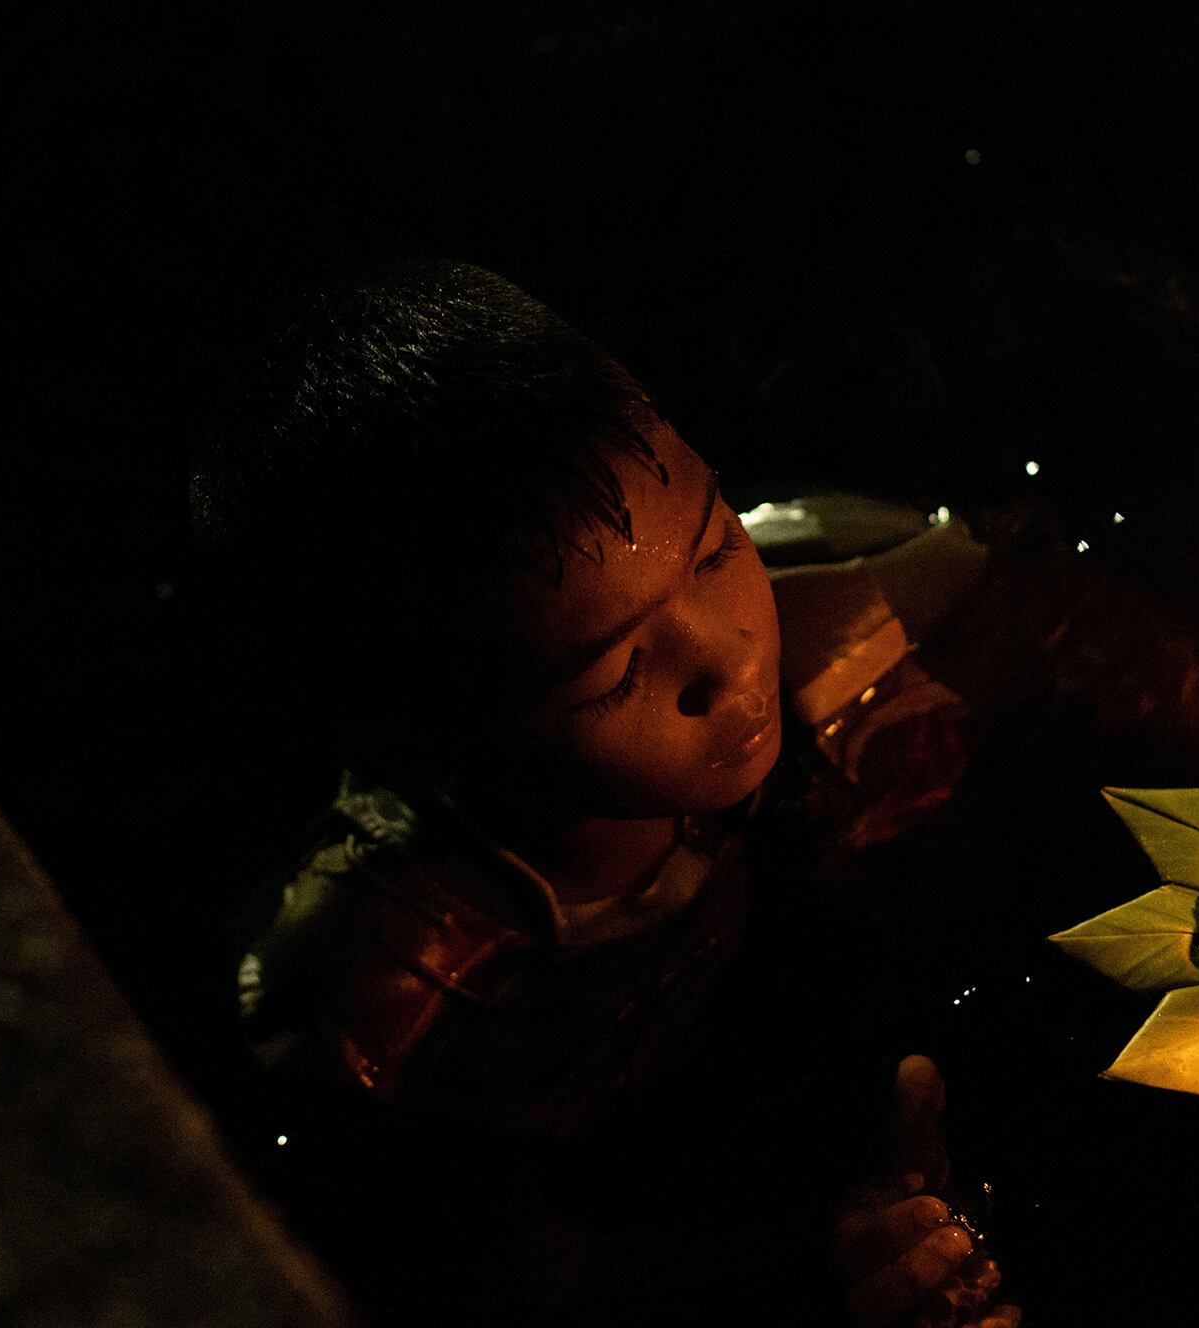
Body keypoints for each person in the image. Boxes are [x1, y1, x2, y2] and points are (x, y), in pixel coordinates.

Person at [190, 260, 1017, 1327]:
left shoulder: (833, 628)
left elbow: (1055, 620)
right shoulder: (382, 1005)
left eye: (716, 547)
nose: (729, 658)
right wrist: (810, 1264)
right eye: (615, 670)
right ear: (425, 728)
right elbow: (503, 1277)